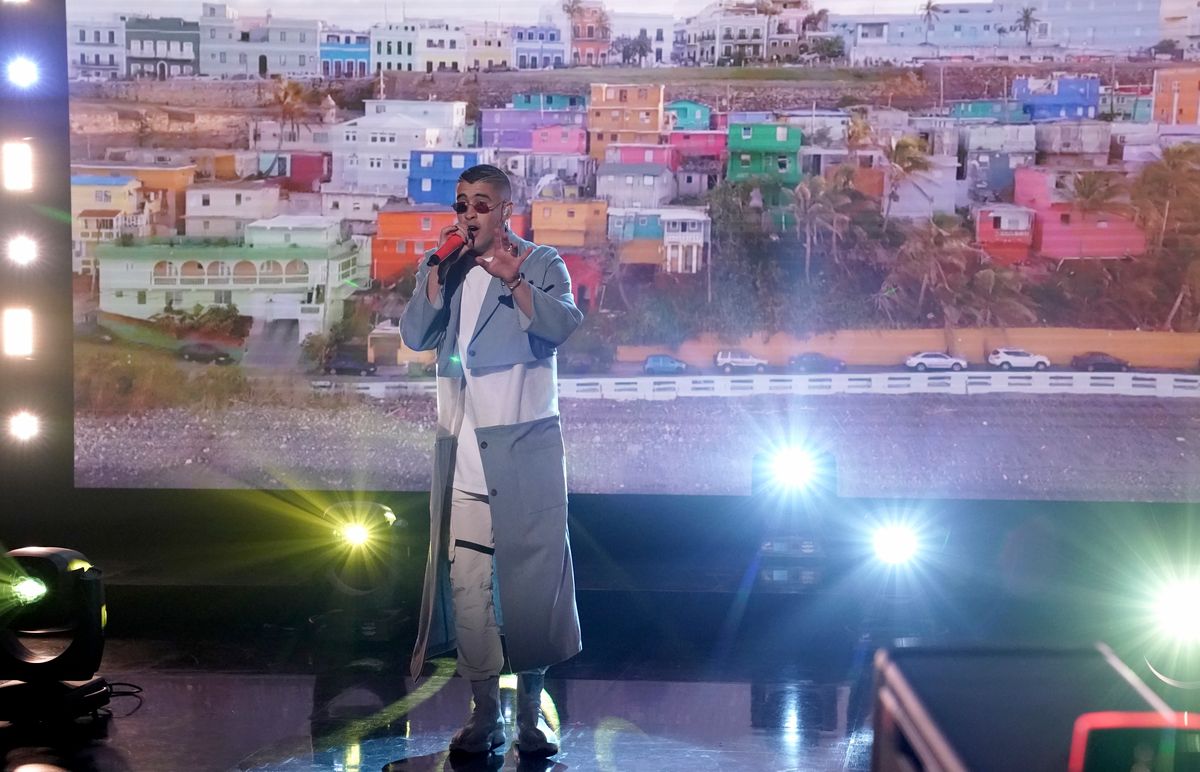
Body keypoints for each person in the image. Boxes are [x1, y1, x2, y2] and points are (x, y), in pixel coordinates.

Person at [400, 164, 583, 757]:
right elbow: (415, 335)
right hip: (464, 457)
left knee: (530, 590)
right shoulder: (448, 270)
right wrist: (432, 274)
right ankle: (484, 715)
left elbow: (563, 325)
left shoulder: (541, 262)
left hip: (523, 454)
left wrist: (516, 282)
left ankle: (530, 716)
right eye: (461, 204)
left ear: (507, 209)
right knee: (469, 586)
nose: (469, 214)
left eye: (482, 204)